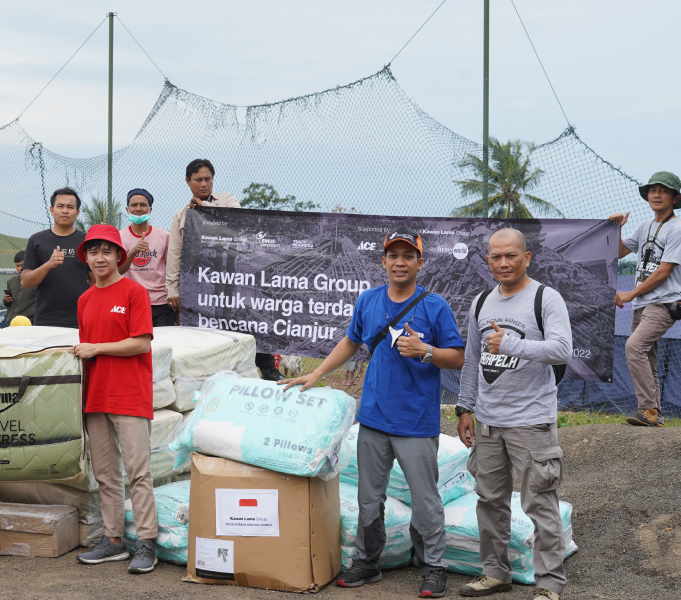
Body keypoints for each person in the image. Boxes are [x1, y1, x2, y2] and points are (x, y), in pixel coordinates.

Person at [282, 227, 464, 598]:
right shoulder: (368, 300)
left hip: (415, 422)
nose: (400, 262)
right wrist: (318, 372)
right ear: (383, 262)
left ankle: (433, 567)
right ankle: (368, 563)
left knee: (425, 499)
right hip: (375, 419)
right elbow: (351, 339)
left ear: (420, 263)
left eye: (408, 256)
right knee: (369, 498)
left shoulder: (434, 306)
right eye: (393, 256)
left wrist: (425, 351)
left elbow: (458, 357)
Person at [456, 228, 572, 600]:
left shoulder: (545, 298)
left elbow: (561, 349)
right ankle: (495, 573)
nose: (503, 263)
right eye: (495, 257)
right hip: (489, 422)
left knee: (540, 503)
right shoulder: (481, 302)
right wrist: (464, 407)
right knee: (489, 502)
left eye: (511, 256)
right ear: (487, 260)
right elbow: (473, 359)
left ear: (527, 257)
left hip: (532, 421)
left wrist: (509, 343)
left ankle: (549, 585)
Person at [74, 225, 159, 574]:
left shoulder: (134, 293)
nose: (100, 257)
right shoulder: (84, 300)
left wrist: (97, 348)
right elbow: (85, 349)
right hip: (95, 396)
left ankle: (146, 542)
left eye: (106, 251)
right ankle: (113, 541)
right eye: (93, 251)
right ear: (87, 258)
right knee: (106, 475)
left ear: (118, 256)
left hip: (129, 394)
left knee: (138, 472)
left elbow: (141, 342)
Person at [166, 159, 285, 380]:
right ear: (187, 181)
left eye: (207, 179)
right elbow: (174, 253)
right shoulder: (181, 215)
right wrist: (172, 289)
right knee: (206, 332)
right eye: (198, 180)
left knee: (248, 320)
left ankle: (268, 369)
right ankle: (210, 376)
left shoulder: (227, 200)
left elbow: (237, 222)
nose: (203, 184)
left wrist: (206, 210)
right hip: (200, 284)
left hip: (233, 278)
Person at [610, 171, 681, 427]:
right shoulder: (644, 226)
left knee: (633, 347)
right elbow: (618, 252)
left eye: (663, 190)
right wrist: (616, 228)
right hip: (642, 304)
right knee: (647, 358)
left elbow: (664, 270)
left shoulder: (677, 228)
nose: (657, 194)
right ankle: (656, 416)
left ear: (675, 197)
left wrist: (630, 293)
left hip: (664, 302)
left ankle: (648, 409)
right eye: (653, 190)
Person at [21, 187, 90, 328]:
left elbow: (95, 281)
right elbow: (25, 282)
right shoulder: (36, 240)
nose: (65, 211)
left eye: (70, 207)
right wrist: (48, 265)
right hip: (46, 319)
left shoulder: (87, 240)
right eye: (60, 206)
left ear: (77, 213)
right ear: (52, 210)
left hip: (81, 318)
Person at [119, 188, 174, 327]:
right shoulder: (119, 237)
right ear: (127, 209)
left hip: (160, 303)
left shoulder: (163, 236)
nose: (138, 209)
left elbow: (172, 268)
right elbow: (117, 271)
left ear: (150, 209)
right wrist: (133, 252)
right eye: (134, 205)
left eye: (143, 205)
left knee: (163, 344)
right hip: (130, 302)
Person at [4, 251, 35, 325]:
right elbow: (8, 304)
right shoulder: (11, 281)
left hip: (30, 324)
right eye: (17, 266)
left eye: (22, 265)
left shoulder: (36, 281)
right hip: (12, 323)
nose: (19, 268)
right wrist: (6, 300)